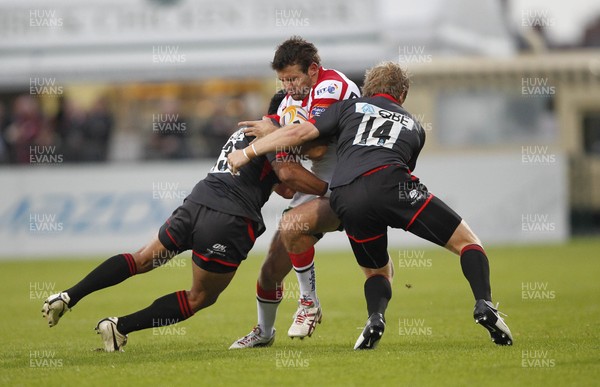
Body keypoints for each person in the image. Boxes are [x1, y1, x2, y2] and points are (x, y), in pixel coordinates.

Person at [227, 61, 514, 349]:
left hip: (347, 196)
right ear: (402, 95)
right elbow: (399, 161)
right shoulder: (415, 125)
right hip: (393, 187)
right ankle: (484, 303)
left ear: (368, 89)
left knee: (376, 271)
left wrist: (253, 148)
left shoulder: (346, 108)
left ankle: (375, 318)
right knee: (467, 242)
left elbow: (303, 137)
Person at [41, 92, 328, 352]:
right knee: (200, 297)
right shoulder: (275, 136)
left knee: (141, 259)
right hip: (229, 219)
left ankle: (68, 295)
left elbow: (268, 178)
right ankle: (120, 327)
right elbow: (289, 180)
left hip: (197, 202)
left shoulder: (244, 131)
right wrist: (330, 189)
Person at [229, 36, 360, 348]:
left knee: (293, 227)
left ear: (313, 70)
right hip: (318, 191)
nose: (287, 86)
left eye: (292, 78)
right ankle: (263, 332)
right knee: (271, 268)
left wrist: (273, 135)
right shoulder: (288, 103)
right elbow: (288, 176)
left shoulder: (332, 86)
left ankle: (309, 304)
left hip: (352, 185)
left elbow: (315, 149)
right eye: (282, 79)